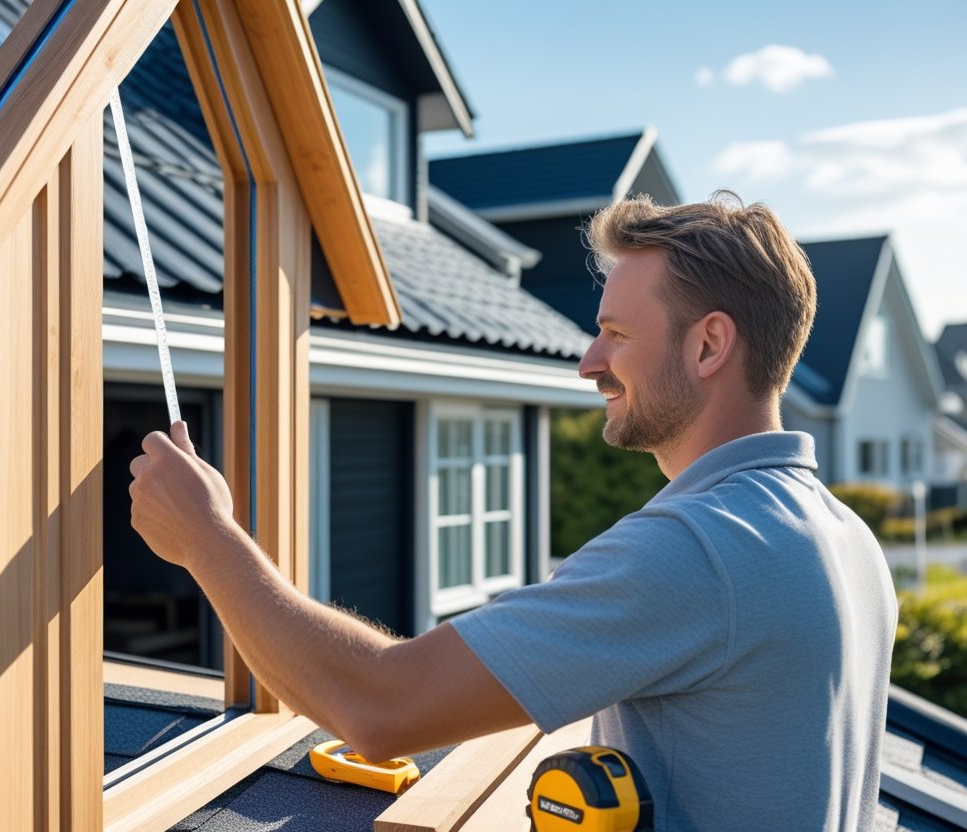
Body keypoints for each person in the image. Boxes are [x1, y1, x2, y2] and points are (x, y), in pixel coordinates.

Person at [129, 191, 897, 831]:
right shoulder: (841, 535)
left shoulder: (698, 548)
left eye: (615, 333)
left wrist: (206, 537)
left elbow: (379, 706)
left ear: (709, 347)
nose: (589, 361)